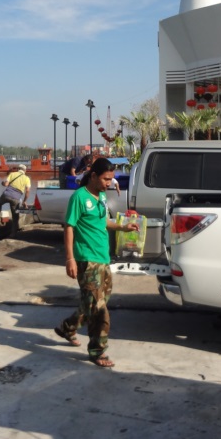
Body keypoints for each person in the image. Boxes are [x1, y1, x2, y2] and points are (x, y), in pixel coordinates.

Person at [54, 157, 139, 368]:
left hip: (103, 257)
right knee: (100, 309)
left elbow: (103, 222)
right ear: (93, 176)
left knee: (92, 303)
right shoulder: (79, 197)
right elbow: (69, 227)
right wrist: (70, 258)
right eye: (105, 179)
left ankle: (67, 327)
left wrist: (123, 227)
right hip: (86, 259)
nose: (108, 183)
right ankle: (97, 350)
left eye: (111, 179)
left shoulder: (101, 196)